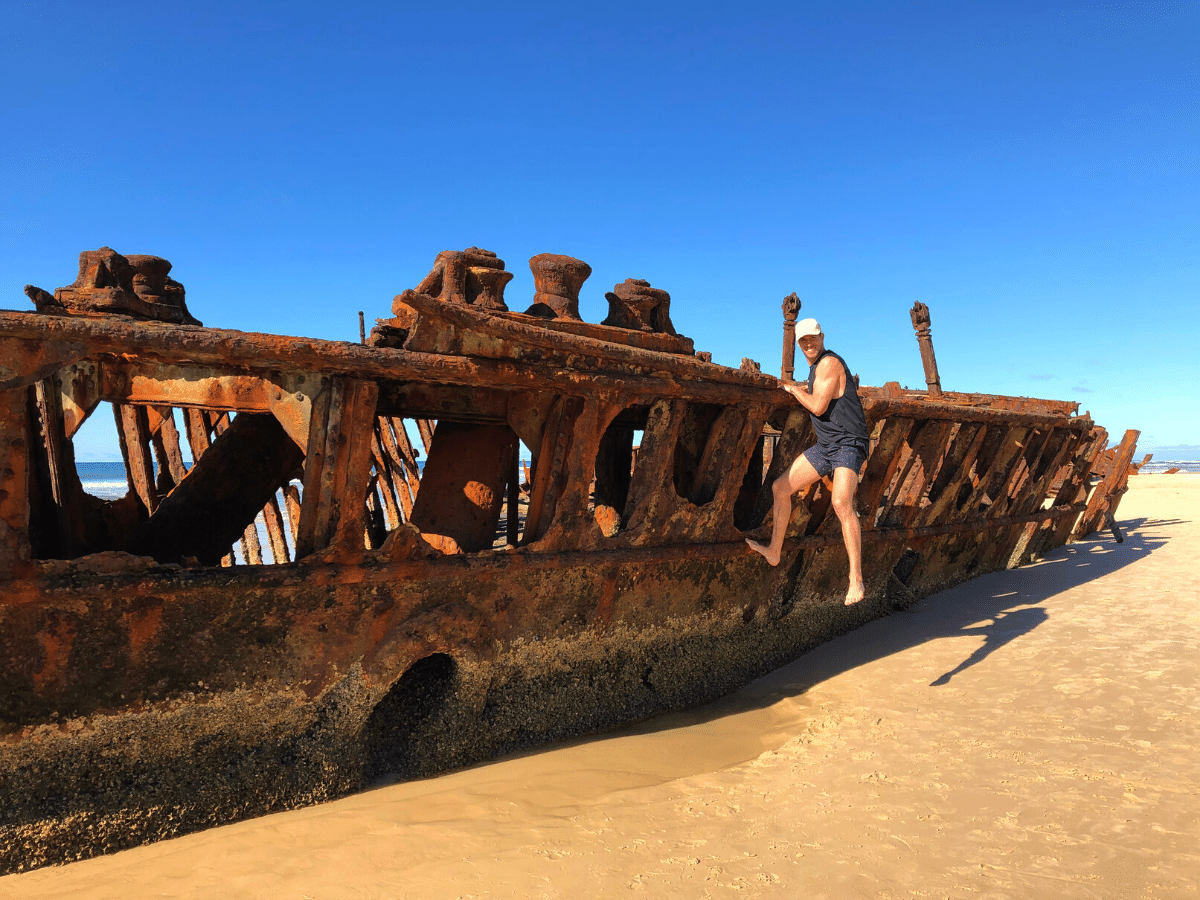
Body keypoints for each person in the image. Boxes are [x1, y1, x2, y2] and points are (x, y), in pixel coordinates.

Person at [746, 317, 869, 605]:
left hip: (849, 443)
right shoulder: (815, 370)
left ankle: (856, 579)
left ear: (822, 337)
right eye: (803, 340)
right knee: (780, 488)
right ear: (798, 344)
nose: (809, 344)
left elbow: (817, 405)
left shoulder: (829, 364)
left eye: (813, 338)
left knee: (841, 502)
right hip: (827, 446)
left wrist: (792, 389)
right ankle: (774, 551)